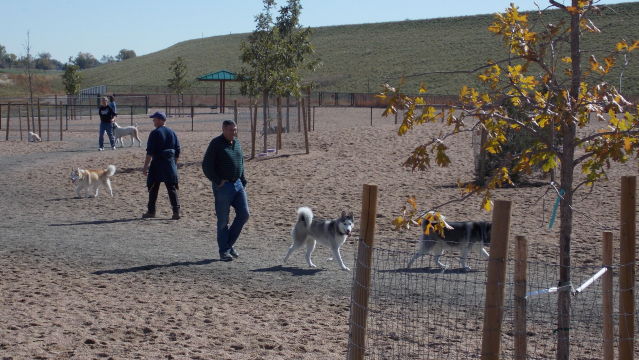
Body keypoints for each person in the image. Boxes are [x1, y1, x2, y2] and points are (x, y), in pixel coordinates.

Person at [202, 120, 249, 261]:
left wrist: (243, 179)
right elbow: (206, 165)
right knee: (223, 220)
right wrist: (217, 180)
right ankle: (224, 251)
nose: (233, 132)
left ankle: (228, 245)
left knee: (244, 214)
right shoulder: (216, 144)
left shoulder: (237, 143)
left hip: (238, 185)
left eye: (235, 130)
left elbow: (240, 162)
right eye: (230, 130)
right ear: (223, 129)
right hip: (223, 186)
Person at [142, 111, 181, 220]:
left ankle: (151, 211)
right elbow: (178, 150)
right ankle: (176, 212)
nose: (153, 121)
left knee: (154, 187)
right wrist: (174, 163)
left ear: (160, 120)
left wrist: (145, 167)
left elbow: (149, 152)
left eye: (154, 119)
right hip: (170, 162)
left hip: (158, 163)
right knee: (171, 188)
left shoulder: (155, 133)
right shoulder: (172, 132)